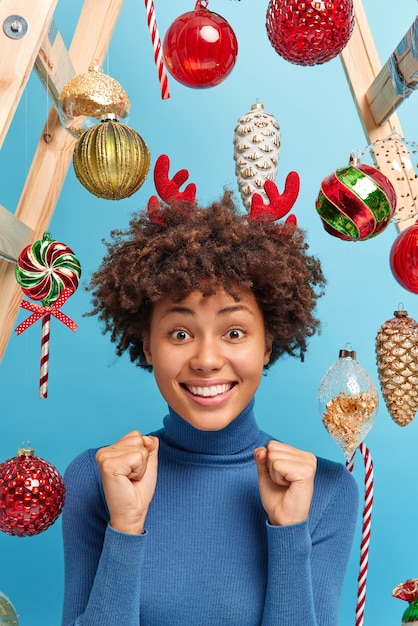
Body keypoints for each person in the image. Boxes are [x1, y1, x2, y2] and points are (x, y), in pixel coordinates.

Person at [61, 156, 359, 626]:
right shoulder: (94, 479)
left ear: (268, 344)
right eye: (179, 333)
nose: (205, 359)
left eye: (235, 332)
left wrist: (288, 532)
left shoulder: (325, 491)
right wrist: (127, 528)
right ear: (147, 346)